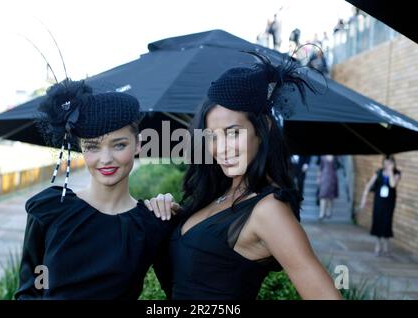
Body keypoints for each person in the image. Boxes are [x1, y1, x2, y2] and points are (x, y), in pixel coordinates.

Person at [145, 53, 342, 300]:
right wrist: (168, 217)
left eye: (233, 133)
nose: (221, 147)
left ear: (264, 128)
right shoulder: (217, 193)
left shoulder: (269, 210)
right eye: (213, 136)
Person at [14, 80, 176, 299]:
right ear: (81, 148)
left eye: (119, 145)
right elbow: (30, 290)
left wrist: (178, 215)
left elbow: (180, 293)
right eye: (92, 146)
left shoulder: (151, 223)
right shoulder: (50, 209)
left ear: (138, 144)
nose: (106, 159)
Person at [360, 155, 401, 256]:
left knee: (387, 221)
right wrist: (364, 198)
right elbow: (369, 185)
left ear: (393, 163)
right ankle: (378, 244)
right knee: (377, 219)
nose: (387, 165)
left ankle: (386, 245)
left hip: (389, 202)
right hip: (379, 201)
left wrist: (391, 171)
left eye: (389, 163)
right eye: (385, 162)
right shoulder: (378, 172)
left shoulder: (397, 173)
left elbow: (392, 184)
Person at [317, 155, 339, 221]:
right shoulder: (322, 156)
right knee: (323, 195)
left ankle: (328, 211)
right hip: (324, 176)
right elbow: (320, 167)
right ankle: (321, 213)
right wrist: (318, 177)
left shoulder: (336, 157)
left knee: (330, 196)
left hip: (333, 177)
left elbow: (338, 166)